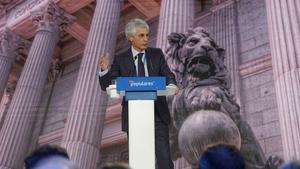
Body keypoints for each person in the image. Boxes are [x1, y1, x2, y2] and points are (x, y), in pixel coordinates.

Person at [98, 18, 177, 169]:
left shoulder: (156, 54)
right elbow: (106, 85)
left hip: (158, 115)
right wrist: (104, 70)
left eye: (147, 35)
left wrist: (172, 83)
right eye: (141, 35)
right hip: (134, 117)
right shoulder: (121, 59)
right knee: (140, 164)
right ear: (130, 38)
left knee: (165, 160)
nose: (146, 39)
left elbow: (167, 73)